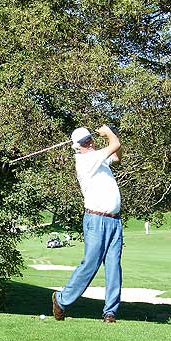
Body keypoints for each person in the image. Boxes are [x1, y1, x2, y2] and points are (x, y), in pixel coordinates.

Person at [52, 125, 123, 323]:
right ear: (77, 147)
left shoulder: (99, 159)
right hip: (95, 219)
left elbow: (117, 156)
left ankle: (110, 312)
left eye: (90, 138)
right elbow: (115, 144)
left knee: (113, 266)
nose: (90, 142)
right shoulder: (86, 160)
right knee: (90, 264)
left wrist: (112, 136)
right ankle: (61, 300)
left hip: (114, 220)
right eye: (85, 141)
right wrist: (109, 133)